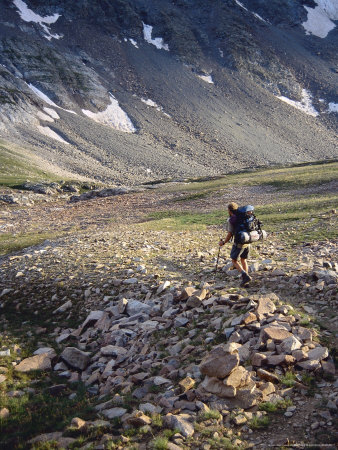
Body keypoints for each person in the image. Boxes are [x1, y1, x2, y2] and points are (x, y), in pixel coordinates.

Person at [219, 202, 252, 287]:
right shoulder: (243, 216)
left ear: (229, 210)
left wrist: (223, 242)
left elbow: (230, 234)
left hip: (239, 243)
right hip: (247, 241)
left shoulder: (232, 219)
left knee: (234, 260)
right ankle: (246, 280)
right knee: (243, 260)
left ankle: (244, 276)